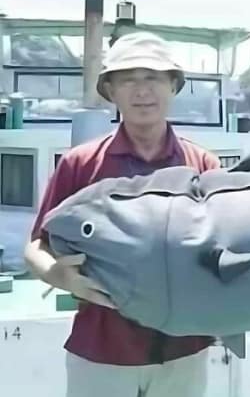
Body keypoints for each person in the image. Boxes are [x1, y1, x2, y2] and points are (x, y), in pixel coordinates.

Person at [24, 31, 222, 397]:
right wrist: (62, 278)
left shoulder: (204, 165)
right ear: (111, 91)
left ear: (173, 86)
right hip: (101, 352)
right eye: (128, 79)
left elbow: (223, 247)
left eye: (153, 77)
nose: (142, 90)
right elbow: (38, 245)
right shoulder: (79, 164)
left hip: (184, 351)